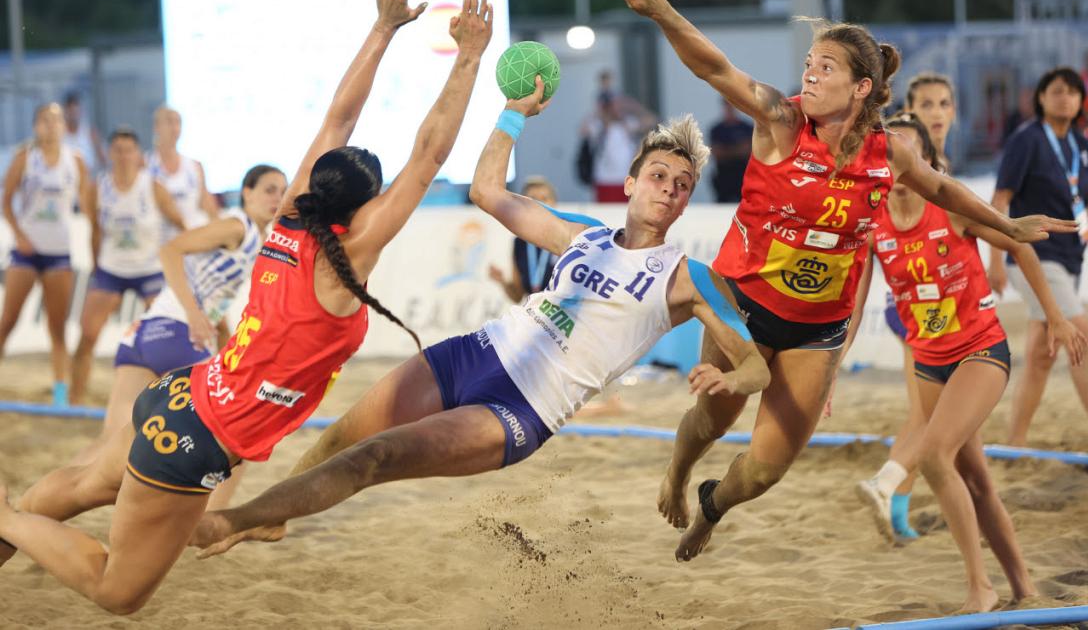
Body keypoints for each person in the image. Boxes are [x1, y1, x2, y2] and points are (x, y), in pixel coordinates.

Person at [0, 0, 490, 615]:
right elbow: (427, 158)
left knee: (86, 482)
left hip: (185, 392)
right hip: (197, 437)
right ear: (365, 211)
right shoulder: (345, 256)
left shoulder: (287, 215)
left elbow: (338, 116)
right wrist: (469, 58)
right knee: (118, 591)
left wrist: (381, 31)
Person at [606, 0, 1075, 564]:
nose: (809, 74)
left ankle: (712, 504)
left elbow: (941, 188)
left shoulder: (889, 152)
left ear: (860, 87)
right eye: (807, 63)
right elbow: (712, 66)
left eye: (824, 67)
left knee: (767, 471)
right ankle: (677, 469)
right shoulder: (780, 120)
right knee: (713, 419)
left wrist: (1005, 224)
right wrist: (661, 12)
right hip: (742, 302)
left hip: (815, 329)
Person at [186, 90, 771, 562]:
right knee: (342, 436)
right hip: (474, 352)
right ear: (631, 182)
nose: (667, 189)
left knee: (374, 458)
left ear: (688, 200)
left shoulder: (687, 275)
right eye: (658, 176)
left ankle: (230, 522)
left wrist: (731, 381)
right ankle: (271, 518)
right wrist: (512, 115)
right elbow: (486, 191)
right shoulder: (582, 235)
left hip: (521, 407)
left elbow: (754, 365)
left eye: (681, 185)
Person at [850, 113, 1084, 613]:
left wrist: (1056, 317)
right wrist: (833, 364)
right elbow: (854, 303)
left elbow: (1020, 246)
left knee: (934, 456)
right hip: (931, 362)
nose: (893, 159)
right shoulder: (873, 223)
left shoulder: (951, 208)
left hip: (980, 349)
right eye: (887, 153)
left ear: (925, 164)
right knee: (974, 478)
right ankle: (1023, 587)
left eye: (904, 151)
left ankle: (980, 587)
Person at [64, 164, 287, 509]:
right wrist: (196, 316)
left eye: (282, 191)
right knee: (240, 432)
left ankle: (33, 504)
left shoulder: (255, 239)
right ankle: (212, 519)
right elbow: (170, 251)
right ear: (247, 192)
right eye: (270, 189)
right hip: (178, 334)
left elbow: (215, 297)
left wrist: (222, 334)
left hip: (144, 334)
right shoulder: (236, 226)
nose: (277, 198)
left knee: (110, 443)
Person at [867, 72, 958, 542]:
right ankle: (892, 494)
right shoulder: (903, 161)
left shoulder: (938, 163)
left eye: (944, 104)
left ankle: (902, 500)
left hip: (947, 309)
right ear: (909, 113)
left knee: (944, 421)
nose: (937, 113)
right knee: (928, 418)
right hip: (917, 311)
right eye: (927, 105)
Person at [989, 67, 1088, 446]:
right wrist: (995, 261)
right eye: (1057, 91)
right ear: (1042, 98)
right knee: (1081, 334)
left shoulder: (1081, 144)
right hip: (1032, 256)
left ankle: (1014, 444)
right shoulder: (1027, 139)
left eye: (1072, 92)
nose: (1065, 97)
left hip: (1069, 258)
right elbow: (1000, 202)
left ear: (1081, 101)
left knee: (1041, 355)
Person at [69, 127, 186, 405]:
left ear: (138, 154)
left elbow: (181, 226)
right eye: (118, 150)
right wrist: (97, 265)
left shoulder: (154, 187)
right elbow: (95, 231)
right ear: (110, 153)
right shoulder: (99, 187)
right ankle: (73, 400)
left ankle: (169, 400)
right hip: (112, 270)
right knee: (87, 334)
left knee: (167, 338)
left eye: (128, 150)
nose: (123, 156)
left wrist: (177, 263)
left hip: (149, 270)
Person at [0, 103, 91, 401]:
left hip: (59, 253)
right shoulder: (25, 158)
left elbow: (88, 203)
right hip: (26, 252)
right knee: (9, 320)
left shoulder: (75, 161)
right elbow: (6, 200)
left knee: (57, 327)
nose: (50, 125)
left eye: (56, 120)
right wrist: (20, 235)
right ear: (35, 125)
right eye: (44, 120)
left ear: (65, 126)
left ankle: (60, 393)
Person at [149, 105, 220, 238]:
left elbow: (207, 204)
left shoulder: (194, 166)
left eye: (178, 122)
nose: (175, 127)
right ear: (156, 127)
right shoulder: (145, 166)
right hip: (161, 240)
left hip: (193, 237)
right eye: (169, 122)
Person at [487, 175, 559, 302]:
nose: (539, 203)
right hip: (533, 315)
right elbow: (518, 296)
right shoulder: (520, 243)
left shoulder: (564, 238)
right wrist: (502, 281)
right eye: (533, 199)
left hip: (561, 314)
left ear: (554, 203)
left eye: (544, 198)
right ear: (522, 205)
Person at [708, 99, 753, 203]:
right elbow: (716, 153)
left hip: (741, 176)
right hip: (723, 177)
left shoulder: (747, 128)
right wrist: (738, 149)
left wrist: (726, 150)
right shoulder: (716, 129)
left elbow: (748, 150)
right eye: (727, 106)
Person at [61, 91, 106, 173]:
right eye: (70, 111)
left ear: (80, 111)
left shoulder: (91, 132)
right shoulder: (59, 133)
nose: (73, 114)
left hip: (88, 175)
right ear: (65, 111)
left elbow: (103, 159)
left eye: (75, 110)